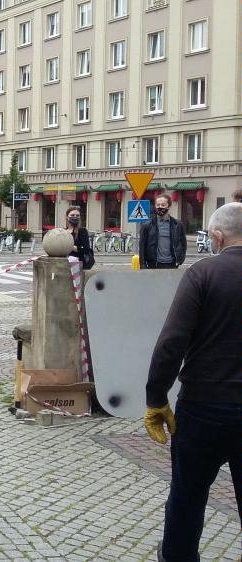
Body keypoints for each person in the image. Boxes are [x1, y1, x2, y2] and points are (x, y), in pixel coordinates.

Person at [144, 202, 242, 562]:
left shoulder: (203, 273)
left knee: (187, 495)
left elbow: (172, 343)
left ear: (217, 236)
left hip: (203, 407)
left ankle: (178, 556)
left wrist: (156, 398)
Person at [139, 194, 186, 269]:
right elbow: (142, 247)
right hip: (153, 265)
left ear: (168, 206)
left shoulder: (178, 225)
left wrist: (181, 258)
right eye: (158, 205)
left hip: (172, 264)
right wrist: (143, 265)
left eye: (163, 205)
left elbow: (183, 243)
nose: (160, 207)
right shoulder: (147, 225)